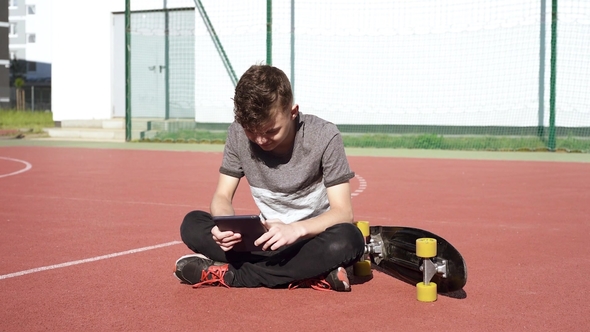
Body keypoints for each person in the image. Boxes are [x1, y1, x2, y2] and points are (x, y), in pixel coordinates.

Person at [174, 64, 365, 292]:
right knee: (192, 222)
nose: (261, 140)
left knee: (350, 238)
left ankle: (234, 275)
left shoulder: (325, 136)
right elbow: (222, 195)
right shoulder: (237, 134)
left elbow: (343, 212)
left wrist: (295, 230)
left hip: (310, 241)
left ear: (293, 112)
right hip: (262, 241)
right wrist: (224, 226)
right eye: (251, 131)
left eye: (271, 131)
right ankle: (309, 274)